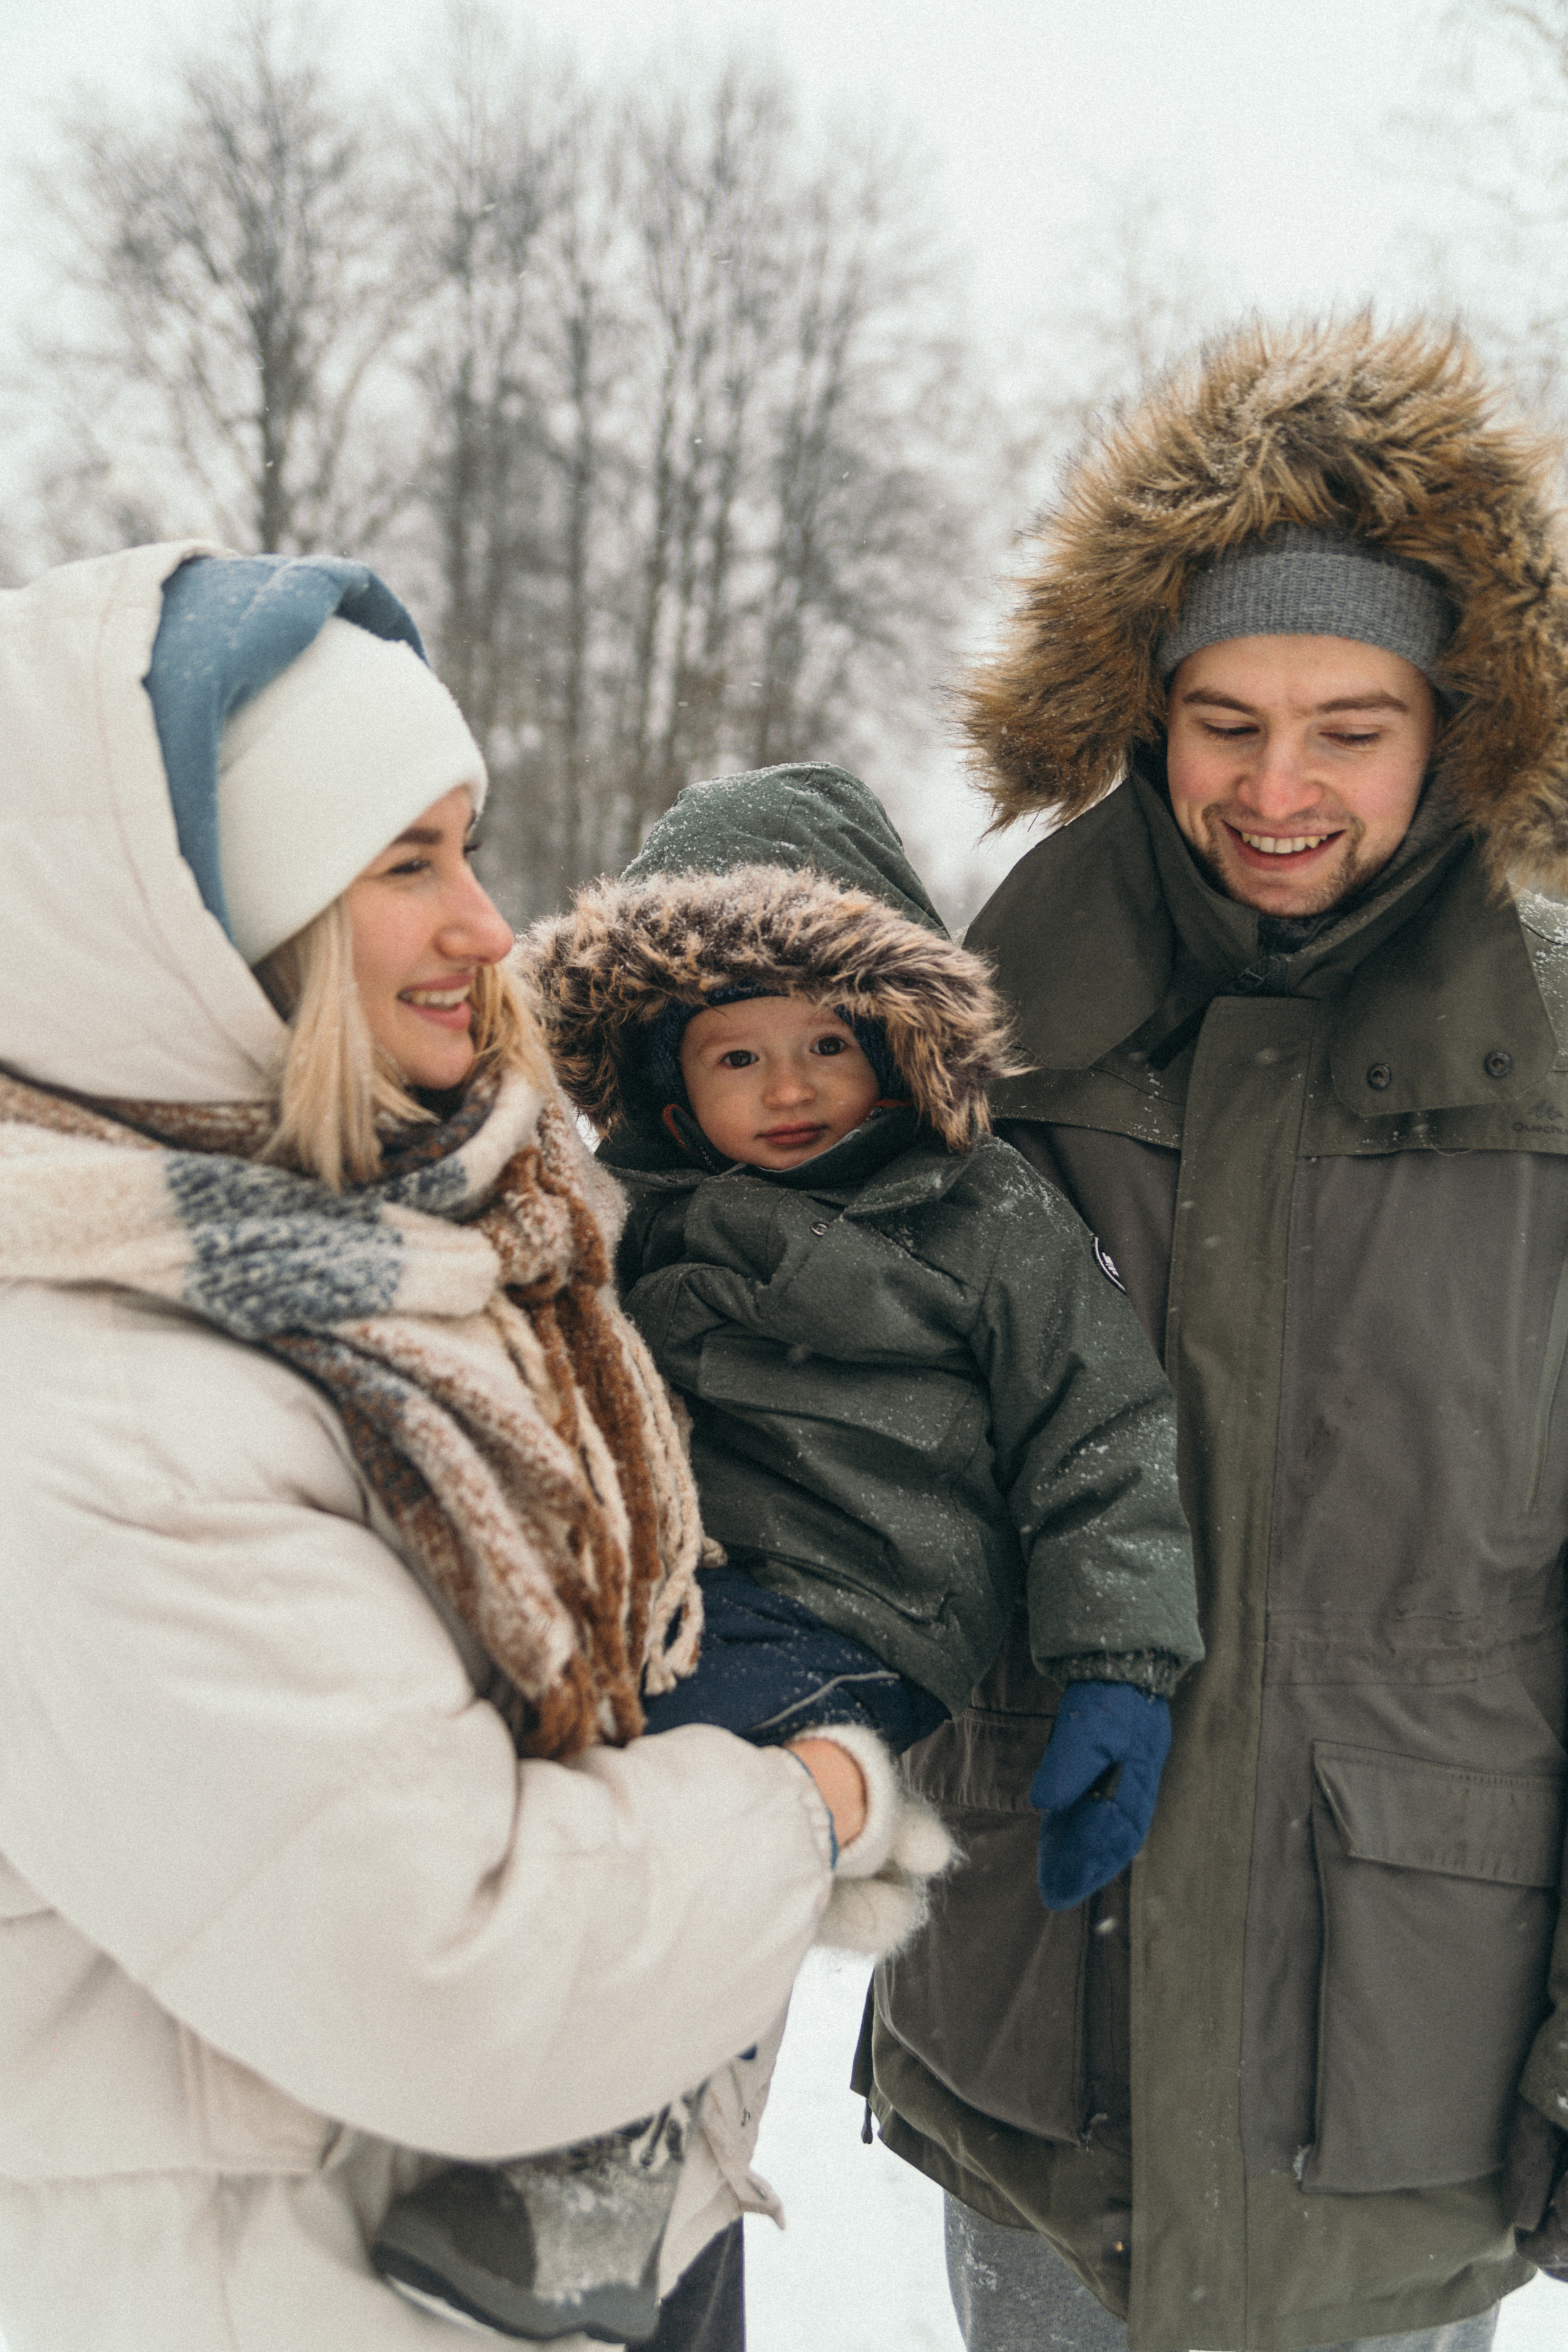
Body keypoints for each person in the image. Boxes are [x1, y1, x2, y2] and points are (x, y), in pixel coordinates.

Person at [0, 542, 881, 2352]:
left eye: (466, 846)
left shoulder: (441, 1251)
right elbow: (463, 1968)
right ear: (205, 922)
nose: (488, 926)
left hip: (527, 2266)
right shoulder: (96, 1410)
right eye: (408, 863)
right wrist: (815, 1799)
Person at [854, 316, 1568, 2352]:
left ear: (1457, 726)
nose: (1278, 787)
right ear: (1144, 712)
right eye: (1224, 719)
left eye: (1350, 725)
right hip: (1039, 2024)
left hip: (1399, 2078)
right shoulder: (991, 1008)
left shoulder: (1553, 1057)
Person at [369, 763, 1199, 2342]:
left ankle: (599, 2169)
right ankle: (544, 2122)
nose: (792, 1084)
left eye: (831, 1041)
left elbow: (1100, 1431)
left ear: (902, 1040)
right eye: (739, 1052)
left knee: (694, 1842)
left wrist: (1120, 1660)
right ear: (667, 1078)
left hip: (867, 1601)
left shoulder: (982, 1211)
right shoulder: (642, 1210)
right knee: (558, 1812)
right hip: (680, 1593)